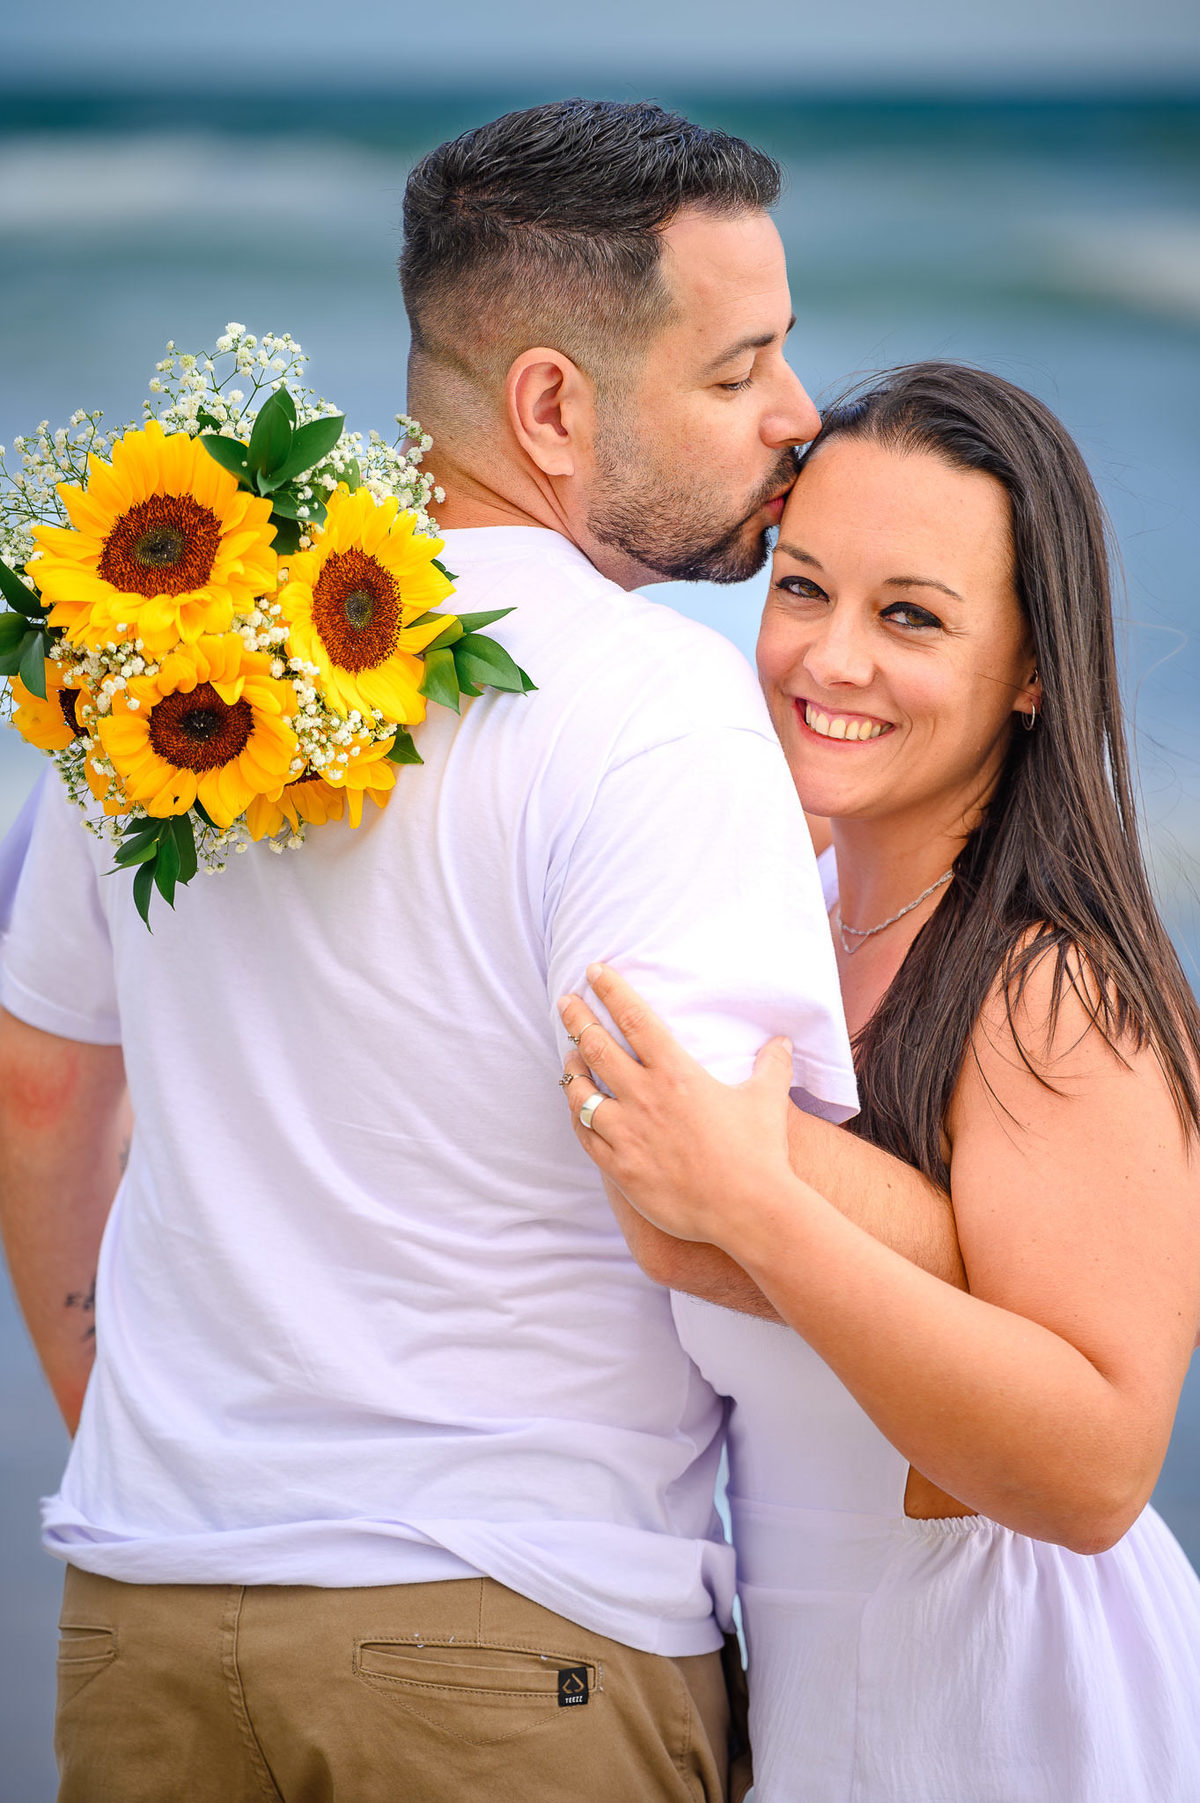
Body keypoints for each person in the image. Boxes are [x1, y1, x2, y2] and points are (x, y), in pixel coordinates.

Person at [0, 102, 971, 1803]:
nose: (800, 420)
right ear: (552, 408)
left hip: (143, 1608)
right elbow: (712, 1200)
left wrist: (145, 1444)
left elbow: (36, 1084)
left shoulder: (158, 670)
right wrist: (1032, 1268)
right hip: (504, 1646)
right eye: (742, 370)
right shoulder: (656, 706)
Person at [557, 362, 1200, 1802]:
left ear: (1033, 668)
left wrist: (755, 1201)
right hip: (814, 1700)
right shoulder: (774, 908)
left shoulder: (1051, 991)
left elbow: (1101, 1470)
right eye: (802, 589)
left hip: (1007, 1710)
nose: (828, 660)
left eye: (910, 616)